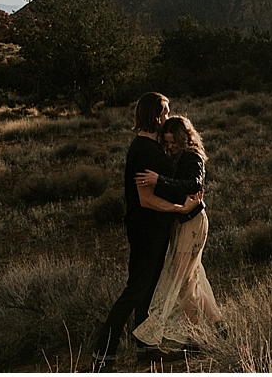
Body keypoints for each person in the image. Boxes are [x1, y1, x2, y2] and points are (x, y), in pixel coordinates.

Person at [91, 93, 201, 373]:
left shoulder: (152, 147)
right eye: (164, 112)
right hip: (145, 230)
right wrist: (178, 209)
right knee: (135, 289)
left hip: (154, 229)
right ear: (153, 115)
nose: (167, 117)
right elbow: (146, 199)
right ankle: (103, 353)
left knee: (147, 289)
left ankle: (146, 349)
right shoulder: (143, 149)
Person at [131, 115, 221, 349]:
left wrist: (159, 180)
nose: (170, 146)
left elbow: (193, 184)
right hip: (182, 222)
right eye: (167, 142)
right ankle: (219, 327)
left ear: (184, 138)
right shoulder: (178, 157)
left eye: (174, 142)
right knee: (192, 278)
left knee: (183, 283)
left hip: (192, 223)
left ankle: (195, 336)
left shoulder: (193, 157)